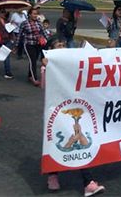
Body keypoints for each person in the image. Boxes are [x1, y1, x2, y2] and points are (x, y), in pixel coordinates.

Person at [41, 36, 106, 196]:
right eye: (58, 46)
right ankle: (53, 175)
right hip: (56, 113)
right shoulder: (47, 66)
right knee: (56, 143)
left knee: (79, 144)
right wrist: (47, 68)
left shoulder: (74, 64)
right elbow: (44, 85)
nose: (62, 47)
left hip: (75, 110)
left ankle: (88, 183)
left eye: (63, 44)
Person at [19, 7, 48, 86]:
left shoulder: (39, 23)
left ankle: (30, 75)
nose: (35, 15)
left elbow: (43, 32)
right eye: (34, 14)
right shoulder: (24, 23)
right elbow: (20, 35)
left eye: (36, 14)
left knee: (34, 60)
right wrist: (16, 45)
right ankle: (34, 79)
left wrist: (49, 41)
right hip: (28, 44)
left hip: (37, 44)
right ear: (29, 15)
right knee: (33, 61)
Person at [0, 7, 14, 79]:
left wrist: (12, 39)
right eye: (2, 12)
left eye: (5, 12)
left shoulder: (7, 21)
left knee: (6, 56)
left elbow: (11, 31)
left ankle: (8, 73)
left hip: (6, 40)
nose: (4, 13)